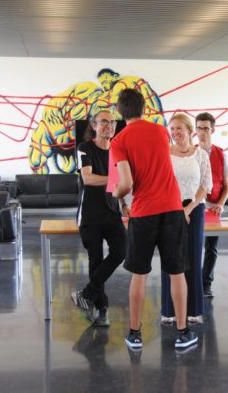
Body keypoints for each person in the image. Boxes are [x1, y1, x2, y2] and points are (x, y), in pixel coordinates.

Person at [111, 89, 198, 350]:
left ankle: (135, 334)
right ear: (144, 108)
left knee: (139, 275)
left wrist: (116, 194)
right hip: (172, 209)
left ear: (119, 111)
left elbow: (126, 184)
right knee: (176, 273)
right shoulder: (161, 131)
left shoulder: (119, 141)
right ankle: (182, 332)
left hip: (143, 212)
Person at [70, 110, 126, 327]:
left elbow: (119, 186)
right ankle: (102, 310)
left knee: (122, 251)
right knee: (95, 260)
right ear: (94, 125)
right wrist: (116, 178)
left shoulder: (117, 151)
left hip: (111, 211)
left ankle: (85, 295)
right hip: (90, 214)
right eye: (104, 122)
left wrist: (123, 203)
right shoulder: (84, 148)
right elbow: (88, 178)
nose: (109, 126)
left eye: (112, 122)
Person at [161, 113, 212, 325]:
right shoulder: (165, 153)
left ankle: (193, 310)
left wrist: (188, 208)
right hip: (168, 209)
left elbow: (205, 185)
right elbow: (161, 183)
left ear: (190, 131)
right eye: (172, 129)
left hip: (194, 209)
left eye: (179, 128)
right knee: (170, 259)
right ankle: (168, 310)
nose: (175, 133)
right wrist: (176, 209)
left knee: (193, 257)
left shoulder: (201, 155)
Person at [195, 112, 228, 298]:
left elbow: (227, 187)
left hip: (213, 208)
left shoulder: (221, 154)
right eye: (199, 128)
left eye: (206, 129)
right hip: (193, 206)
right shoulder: (190, 152)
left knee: (211, 248)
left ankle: (206, 284)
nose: (202, 132)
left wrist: (221, 204)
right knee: (191, 246)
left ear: (213, 130)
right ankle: (192, 282)